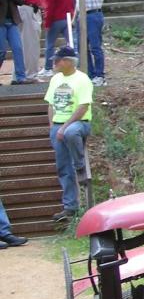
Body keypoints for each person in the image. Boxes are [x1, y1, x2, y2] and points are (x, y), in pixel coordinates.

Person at [46, 45, 93, 223]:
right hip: (58, 126)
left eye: (57, 60)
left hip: (79, 123)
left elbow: (83, 107)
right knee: (63, 167)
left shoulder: (82, 79)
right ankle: (70, 206)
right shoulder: (55, 79)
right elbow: (50, 104)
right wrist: (53, 126)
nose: (54, 63)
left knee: (71, 133)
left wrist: (64, 127)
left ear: (67, 61)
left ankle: (79, 163)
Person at [73, 0, 106, 86]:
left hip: (93, 15)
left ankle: (99, 75)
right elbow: (78, 1)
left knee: (95, 46)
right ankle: (89, 74)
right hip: (81, 16)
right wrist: (74, 18)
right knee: (82, 47)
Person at [0, 0, 35, 85]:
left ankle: (21, 77)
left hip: (12, 21)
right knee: (1, 51)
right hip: (1, 23)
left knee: (18, 48)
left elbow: (21, 1)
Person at [40, 0, 74, 77]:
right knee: (71, 43)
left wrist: (47, 23)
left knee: (50, 44)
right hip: (67, 18)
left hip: (55, 20)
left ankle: (48, 68)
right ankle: (74, 65)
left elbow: (49, 7)